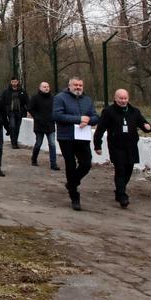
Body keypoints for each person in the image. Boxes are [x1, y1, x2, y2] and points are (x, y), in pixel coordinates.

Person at [95, 89, 151, 208]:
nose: (123, 101)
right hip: (116, 146)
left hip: (131, 146)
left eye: (125, 98)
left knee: (128, 170)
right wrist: (97, 145)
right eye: (120, 98)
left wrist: (148, 127)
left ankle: (119, 190)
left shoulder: (134, 111)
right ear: (115, 98)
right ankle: (122, 196)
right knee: (120, 170)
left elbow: (143, 123)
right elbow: (100, 129)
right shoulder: (108, 112)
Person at [53, 76, 99, 210]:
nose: (78, 87)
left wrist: (88, 120)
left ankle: (72, 182)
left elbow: (95, 117)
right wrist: (78, 119)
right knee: (71, 164)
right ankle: (74, 195)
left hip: (82, 137)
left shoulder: (87, 100)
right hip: (66, 137)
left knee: (86, 163)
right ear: (69, 86)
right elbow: (57, 116)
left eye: (80, 85)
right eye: (75, 85)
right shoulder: (60, 98)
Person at [29, 82, 59, 170]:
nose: (46, 88)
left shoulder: (53, 98)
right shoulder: (35, 98)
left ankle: (53, 164)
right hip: (39, 125)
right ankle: (34, 159)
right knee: (38, 143)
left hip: (50, 124)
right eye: (44, 87)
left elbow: (56, 109)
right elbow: (30, 109)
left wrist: (54, 117)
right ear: (40, 88)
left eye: (48, 87)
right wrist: (36, 117)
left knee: (52, 144)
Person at [2, 76, 29, 149]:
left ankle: (15, 141)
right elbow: (2, 101)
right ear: (11, 82)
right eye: (13, 82)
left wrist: (29, 110)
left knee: (17, 127)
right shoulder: (6, 91)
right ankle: (13, 143)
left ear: (18, 82)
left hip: (20, 112)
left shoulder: (22, 91)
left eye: (15, 82)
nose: (14, 83)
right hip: (11, 112)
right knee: (13, 126)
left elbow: (27, 101)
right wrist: (4, 110)